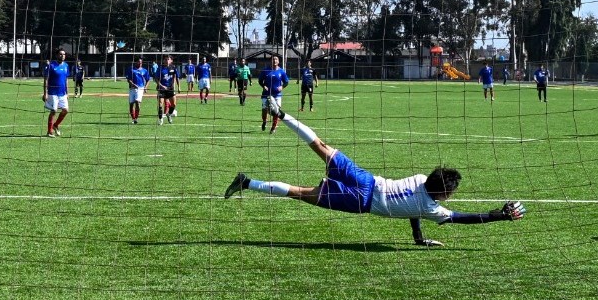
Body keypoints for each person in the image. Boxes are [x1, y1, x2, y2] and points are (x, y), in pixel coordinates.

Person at [224, 106, 525, 247]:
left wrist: (418, 237)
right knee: (300, 193)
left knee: (322, 146)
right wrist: (498, 215)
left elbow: (415, 209)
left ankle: (283, 115)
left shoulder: (421, 180)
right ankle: (248, 182)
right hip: (360, 200)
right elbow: (464, 219)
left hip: (367, 179)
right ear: (444, 194)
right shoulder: (432, 208)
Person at [44, 50, 72, 137]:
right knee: (54, 111)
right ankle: (49, 131)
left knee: (65, 110)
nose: (62, 56)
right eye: (60, 54)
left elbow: (66, 79)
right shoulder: (51, 65)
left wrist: (67, 92)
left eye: (64, 54)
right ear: (57, 55)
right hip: (53, 92)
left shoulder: (66, 65)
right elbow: (46, 79)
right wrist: (45, 93)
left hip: (62, 93)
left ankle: (55, 125)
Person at [260, 58, 289, 133]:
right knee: (264, 109)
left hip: (277, 95)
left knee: (276, 111)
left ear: (278, 61)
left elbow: (286, 82)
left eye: (276, 59)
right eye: (273, 59)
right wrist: (263, 86)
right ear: (271, 61)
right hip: (266, 94)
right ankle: (264, 121)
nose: (274, 61)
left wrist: (282, 87)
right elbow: (260, 81)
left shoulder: (281, 71)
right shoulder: (265, 70)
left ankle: (273, 127)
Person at [154, 55, 179, 124]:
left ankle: (169, 114)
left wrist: (177, 86)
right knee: (160, 104)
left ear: (171, 61)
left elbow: (176, 77)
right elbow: (156, 79)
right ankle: (160, 119)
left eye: (168, 59)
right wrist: (161, 86)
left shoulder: (173, 68)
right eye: (165, 59)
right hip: (162, 89)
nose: (166, 61)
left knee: (174, 104)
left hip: (170, 88)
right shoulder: (160, 68)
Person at [125, 58, 151, 124]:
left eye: (141, 62)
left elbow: (148, 79)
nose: (140, 63)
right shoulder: (131, 69)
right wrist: (133, 84)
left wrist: (146, 87)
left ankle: (136, 118)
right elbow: (128, 79)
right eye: (138, 62)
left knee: (137, 102)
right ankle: (133, 119)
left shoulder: (144, 71)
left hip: (140, 88)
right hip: (132, 89)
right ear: (136, 62)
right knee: (131, 104)